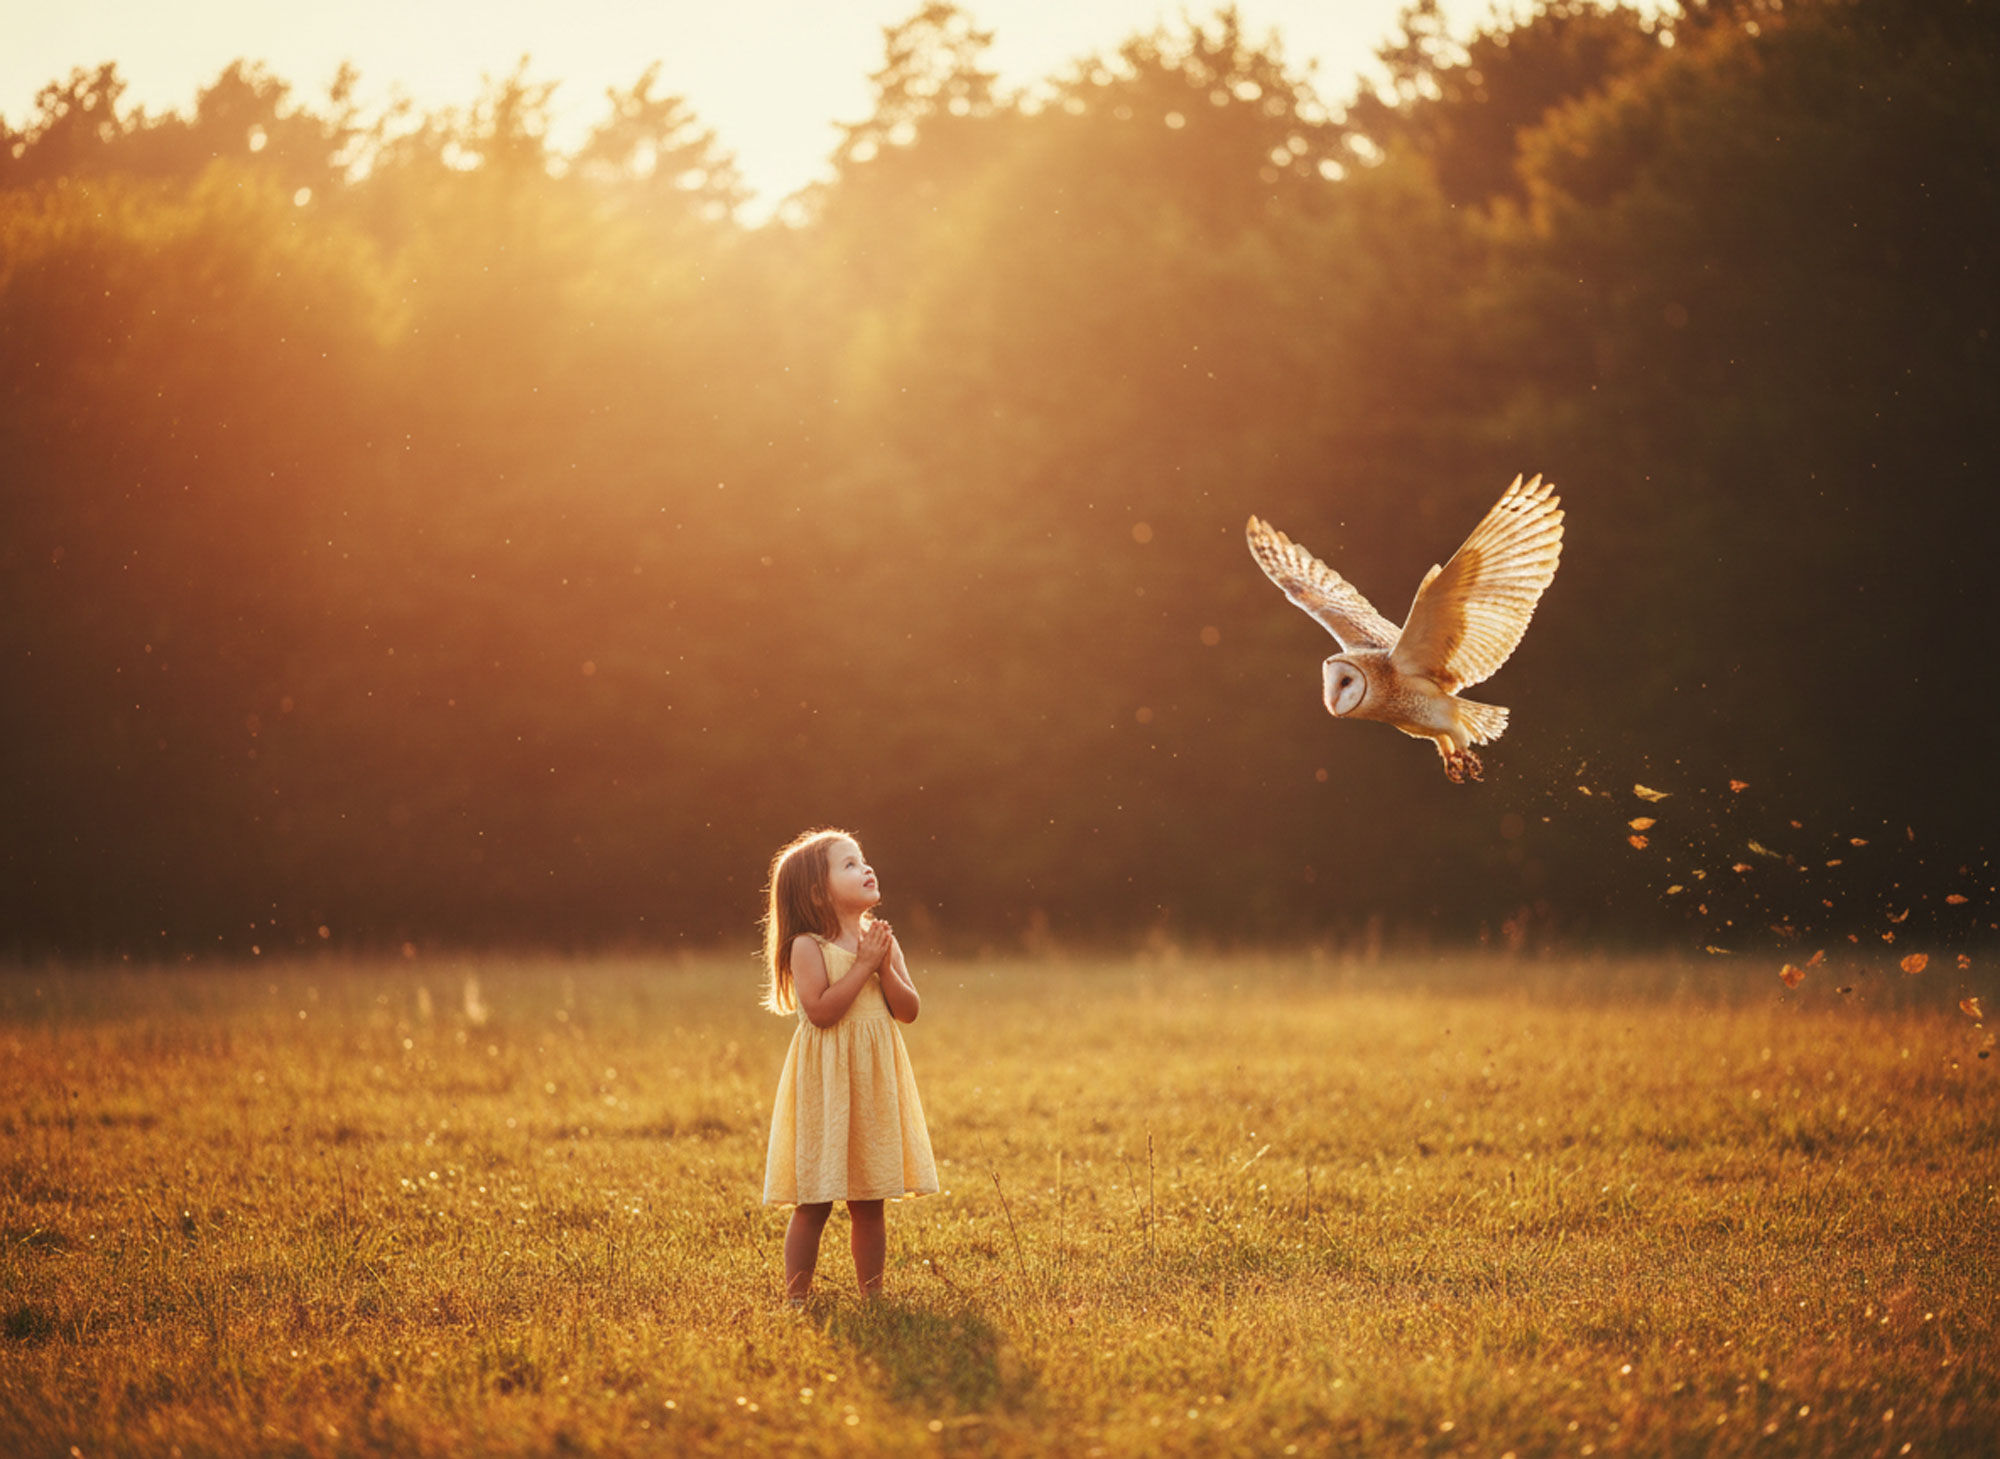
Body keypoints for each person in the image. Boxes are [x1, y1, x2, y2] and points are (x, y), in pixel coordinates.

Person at [759, 828, 937, 1302]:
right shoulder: (807, 946)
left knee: (869, 1198)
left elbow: (908, 1009)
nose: (867, 868)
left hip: (872, 1080)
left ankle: (872, 1296)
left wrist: (881, 965)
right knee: (814, 1201)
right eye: (850, 864)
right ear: (818, 891)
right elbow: (821, 1012)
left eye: (864, 859)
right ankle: (797, 1297)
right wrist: (863, 967)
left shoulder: (880, 940)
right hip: (826, 1084)